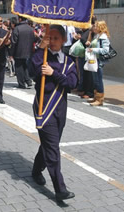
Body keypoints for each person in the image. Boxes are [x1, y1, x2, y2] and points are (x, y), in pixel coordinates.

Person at [30, 25, 77, 202]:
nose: (53, 42)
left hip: (60, 107)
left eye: (56, 38)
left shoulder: (70, 61)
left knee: (50, 144)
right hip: (44, 106)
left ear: (64, 40)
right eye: (50, 38)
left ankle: (36, 170)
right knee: (53, 148)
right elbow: (31, 70)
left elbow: (72, 83)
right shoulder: (41, 56)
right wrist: (40, 47)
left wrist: (53, 73)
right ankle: (60, 189)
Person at [86, 20, 111, 106]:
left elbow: (105, 50)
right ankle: (96, 97)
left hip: (99, 61)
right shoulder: (97, 36)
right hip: (94, 60)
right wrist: (90, 45)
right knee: (95, 79)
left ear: (100, 27)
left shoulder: (103, 37)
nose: (94, 27)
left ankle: (100, 99)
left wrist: (93, 49)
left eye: (96, 26)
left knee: (98, 80)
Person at [10, 16, 37, 89]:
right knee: (26, 66)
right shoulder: (31, 29)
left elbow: (13, 42)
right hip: (29, 50)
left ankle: (21, 83)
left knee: (19, 68)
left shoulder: (17, 29)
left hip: (19, 51)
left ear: (20, 19)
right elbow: (35, 39)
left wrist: (11, 53)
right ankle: (28, 80)